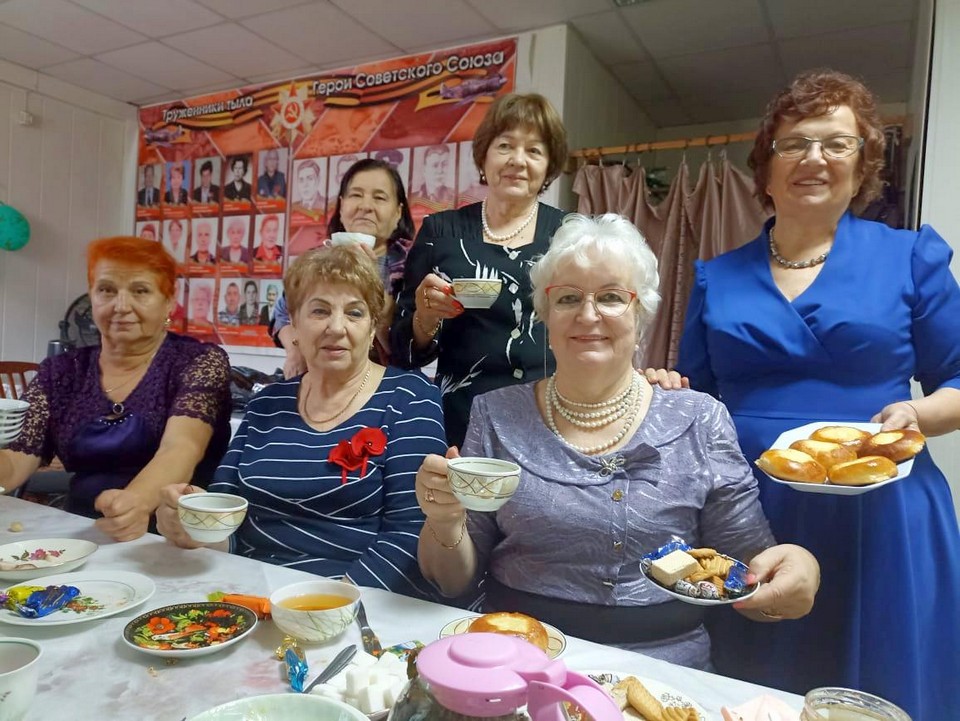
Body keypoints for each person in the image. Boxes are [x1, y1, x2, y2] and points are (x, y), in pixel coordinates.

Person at [674, 70, 960, 721]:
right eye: (794, 144)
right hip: (751, 508)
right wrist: (665, 389)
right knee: (752, 688)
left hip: (882, 508)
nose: (814, 158)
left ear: (862, 168)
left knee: (877, 683)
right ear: (766, 171)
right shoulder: (717, 277)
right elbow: (697, 401)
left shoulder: (910, 257)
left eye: (836, 143)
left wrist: (917, 413)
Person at [416, 214, 820, 669]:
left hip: (664, 672)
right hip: (520, 658)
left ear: (640, 313)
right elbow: (452, 583)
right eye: (568, 298)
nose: (588, 315)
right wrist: (444, 522)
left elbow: (748, 574)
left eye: (610, 297)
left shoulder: (699, 419)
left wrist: (797, 569)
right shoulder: (495, 414)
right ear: (545, 314)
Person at [156, 246, 447, 598]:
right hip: (250, 592)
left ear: (372, 327)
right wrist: (192, 525)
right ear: (294, 324)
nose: (336, 327)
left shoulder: (410, 398)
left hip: (355, 601)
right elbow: (226, 518)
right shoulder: (266, 404)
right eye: (320, 311)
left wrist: (324, 605)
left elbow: (411, 532)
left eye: (354, 313)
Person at [0, 237, 231, 540]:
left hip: (172, 536)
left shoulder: (199, 361)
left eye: (140, 291)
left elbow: (181, 447)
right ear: (92, 296)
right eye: (107, 290)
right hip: (80, 533)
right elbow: (15, 460)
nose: (121, 306)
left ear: (169, 300)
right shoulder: (61, 371)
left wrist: (135, 503)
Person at [391, 93, 568, 447]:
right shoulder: (441, 231)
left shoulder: (570, 235)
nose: (518, 160)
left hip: (548, 420)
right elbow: (404, 353)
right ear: (484, 156)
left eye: (534, 150)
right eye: (505, 146)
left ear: (549, 166)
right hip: (459, 420)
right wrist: (426, 317)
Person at [273, 158, 416, 377]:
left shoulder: (413, 263)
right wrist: (295, 351)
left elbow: (407, 347)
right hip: (319, 381)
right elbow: (283, 312)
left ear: (398, 212)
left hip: (388, 383)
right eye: (356, 195)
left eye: (379, 197)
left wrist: (370, 278)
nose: (365, 206)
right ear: (341, 207)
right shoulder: (317, 258)